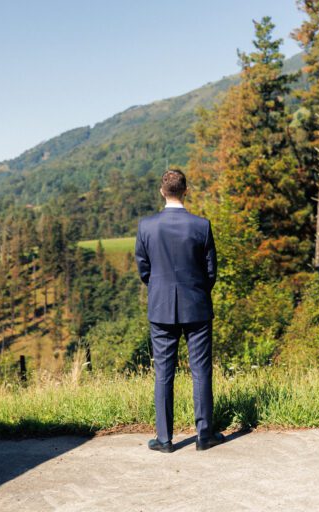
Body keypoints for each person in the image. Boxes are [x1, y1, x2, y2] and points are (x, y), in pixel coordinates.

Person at [134, 168, 225, 452]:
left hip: (161, 307)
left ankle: (164, 439)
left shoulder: (146, 226)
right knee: (201, 371)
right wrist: (196, 291)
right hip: (196, 305)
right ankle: (204, 435)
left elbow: (143, 269)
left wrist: (161, 290)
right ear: (185, 190)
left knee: (163, 373)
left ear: (162, 191)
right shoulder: (202, 226)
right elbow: (211, 272)